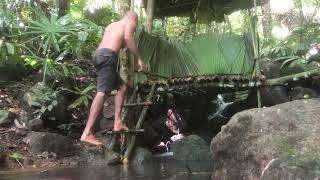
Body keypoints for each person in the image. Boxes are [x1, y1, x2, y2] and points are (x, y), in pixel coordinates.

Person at [80, 11, 145, 145]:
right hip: (108, 57)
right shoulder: (130, 21)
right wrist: (139, 58)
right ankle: (87, 133)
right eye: (136, 23)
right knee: (102, 92)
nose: (135, 25)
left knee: (122, 87)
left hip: (99, 56)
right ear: (133, 18)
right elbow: (127, 38)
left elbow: (116, 42)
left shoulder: (112, 25)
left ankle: (117, 122)